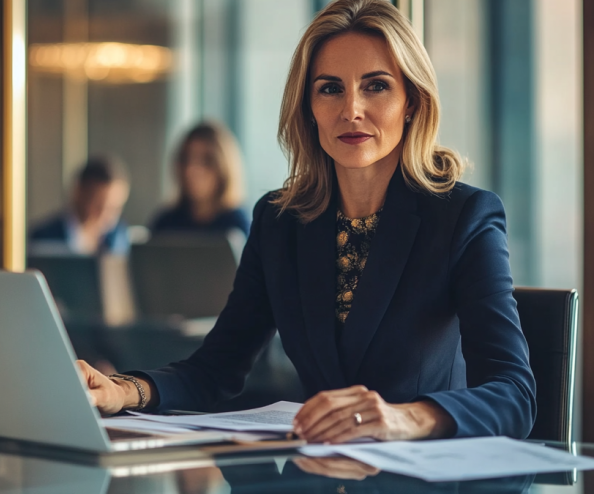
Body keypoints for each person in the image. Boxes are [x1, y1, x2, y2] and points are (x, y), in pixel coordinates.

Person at [78, 0, 536, 443]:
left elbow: (515, 395)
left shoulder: (464, 216)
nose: (351, 109)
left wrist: (404, 418)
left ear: (412, 100)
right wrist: (123, 390)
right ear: (309, 107)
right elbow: (215, 369)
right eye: (330, 88)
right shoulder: (280, 221)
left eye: (376, 85)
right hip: (318, 471)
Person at [151, 121, 250, 236]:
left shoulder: (236, 225)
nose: (191, 170)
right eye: (186, 159)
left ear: (224, 168)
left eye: (206, 161)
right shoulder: (166, 223)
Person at [29, 156, 130, 256]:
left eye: (114, 209)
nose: (104, 215)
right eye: (98, 205)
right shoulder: (43, 239)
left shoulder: (120, 238)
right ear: (78, 193)